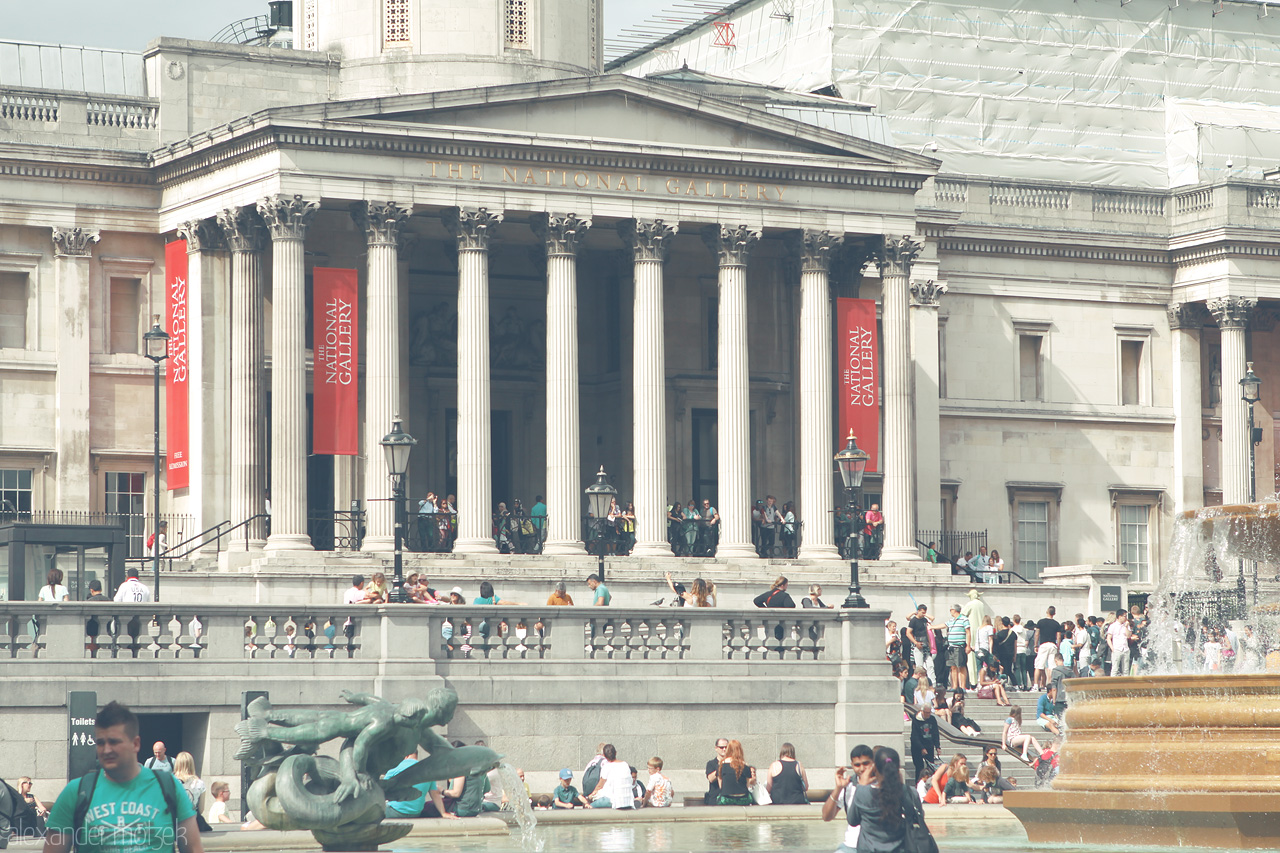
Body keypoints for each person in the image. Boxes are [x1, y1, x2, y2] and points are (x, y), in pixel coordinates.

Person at [42, 700, 202, 853]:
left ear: (136, 744)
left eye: (114, 742)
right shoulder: (75, 793)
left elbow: (194, 849)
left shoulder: (169, 787)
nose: (106, 750)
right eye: (100, 743)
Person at [845, 746, 919, 852]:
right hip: (900, 848)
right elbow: (915, 818)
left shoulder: (862, 792)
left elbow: (852, 820)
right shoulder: (909, 791)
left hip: (869, 849)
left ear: (875, 768)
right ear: (897, 767)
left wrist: (861, 787)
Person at [821, 744, 874, 853]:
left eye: (866, 763)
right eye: (857, 765)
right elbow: (826, 817)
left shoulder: (882, 785)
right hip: (851, 846)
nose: (862, 768)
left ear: (873, 762)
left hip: (877, 846)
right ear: (852, 765)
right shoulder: (847, 786)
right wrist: (838, 788)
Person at [587, 744, 634, 810]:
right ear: (616, 753)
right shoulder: (625, 764)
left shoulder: (607, 767)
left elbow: (600, 786)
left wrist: (591, 796)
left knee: (588, 806)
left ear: (604, 756)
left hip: (612, 800)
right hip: (628, 801)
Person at [172, 752, 209, 833]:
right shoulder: (199, 783)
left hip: (173, 824)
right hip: (192, 823)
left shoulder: (170, 781)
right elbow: (201, 809)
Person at [713, 740, 753, 806]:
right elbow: (747, 785)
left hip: (726, 798)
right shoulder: (745, 765)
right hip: (743, 798)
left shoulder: (721, 765)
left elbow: (721, 785)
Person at [909, 702, 940, 784]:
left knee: (931, 766)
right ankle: (918, 784)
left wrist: (937, 746)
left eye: (929, 712)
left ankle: (931, 783)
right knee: (919, 767)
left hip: (929, 745)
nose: (928, 714)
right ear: (922, 711)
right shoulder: (916, 719)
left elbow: (935, 733)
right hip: (917, 747)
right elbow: (914, 736)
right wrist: (922, 748)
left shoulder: (932, 719)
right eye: (926, 713)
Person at [1034, 606, 1062, 689]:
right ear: (1054, 613)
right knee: (1051, 667)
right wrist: (1058, 647)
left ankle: (1036, 685)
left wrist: (1036, 645)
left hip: (1043, 644)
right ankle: (1049, 685)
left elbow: (1037, 634)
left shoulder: (1040, 622)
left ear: (1047, 612)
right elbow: (1059, 636)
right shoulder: (1056, 624)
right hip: (1052, 645)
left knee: (1039, 665)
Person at [945, 604, 971, 691]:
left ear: (955, 610)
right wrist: (931, 627)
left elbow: (968, 632)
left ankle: (962, 686)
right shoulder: (951, 620)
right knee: (953, 666)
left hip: (959, 646)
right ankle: (954, 686)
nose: (950, 611)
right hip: (951, 647)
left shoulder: (964, 619)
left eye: (951, 610)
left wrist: (968, 645)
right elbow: (944, 625)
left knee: (961, 666)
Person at [905, 605, 934, 676]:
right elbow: (908, 633)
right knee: (919, 666)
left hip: (925, 644)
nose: (924, 614)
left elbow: (927, 631)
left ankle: (932, 683)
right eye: (922, 612)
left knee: (930, 665)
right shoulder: (913, 621)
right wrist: (915, 643)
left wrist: (930, 644)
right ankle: (920, 682)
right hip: (918, 644)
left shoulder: (925, 620)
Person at [1108, 610, 1132, 676]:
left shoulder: (1126, 625)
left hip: (1125, 649)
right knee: (1115, 668)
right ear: (1119, 616)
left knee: (1126, 669)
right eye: (1124, 616)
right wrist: (1112, 648)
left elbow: (1128, 636)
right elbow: (1108, 638)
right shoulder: (1113, 626)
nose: (1125, 618)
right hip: (1117, 649)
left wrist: (1127, 627)